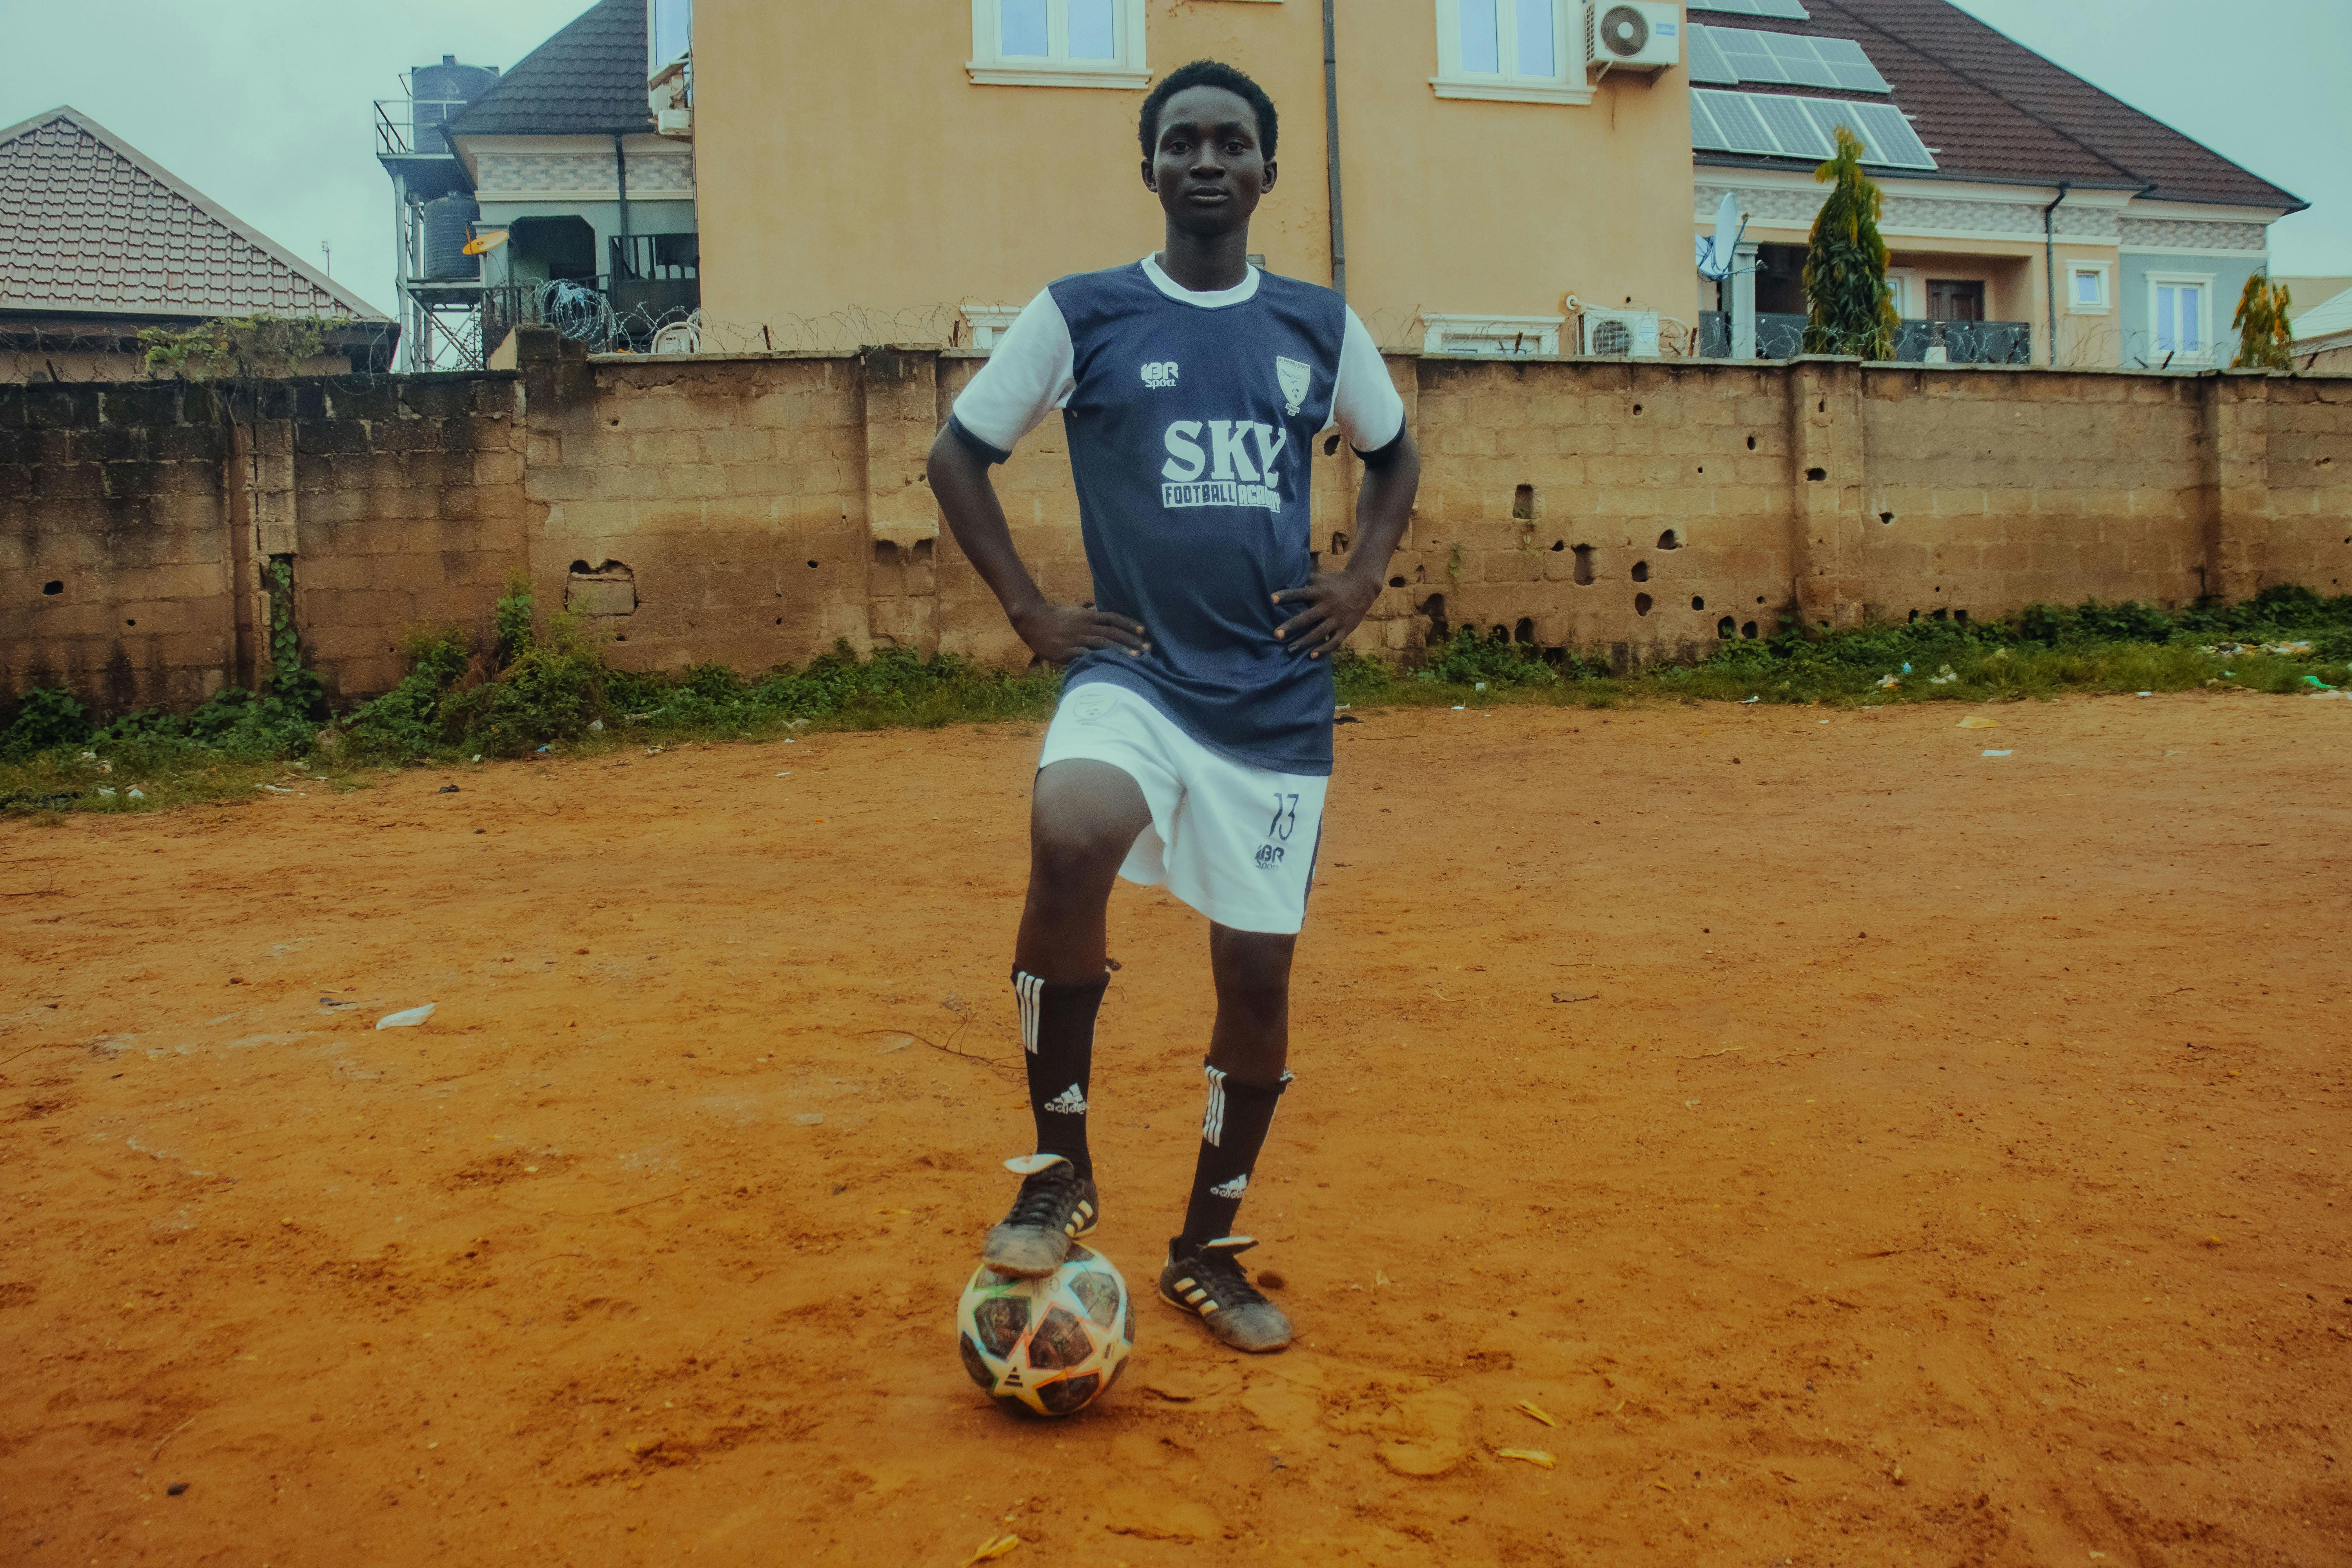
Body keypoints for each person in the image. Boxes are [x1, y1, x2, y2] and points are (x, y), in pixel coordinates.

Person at [926, 58, 1420, 1354]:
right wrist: (1035, 613)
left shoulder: (1317, 326)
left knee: (1256, 976)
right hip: (1133, 675)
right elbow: (957, 452)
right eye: (1182, 143)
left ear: (1265, 171)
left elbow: (1395, 449)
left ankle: (1208, 1246)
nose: (1207, 161)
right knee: (1071, 830)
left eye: (1231, 143)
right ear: (1147, 168)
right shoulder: (1084, 313)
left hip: (1275, 707)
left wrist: (1363, 575)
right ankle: (1058, 1169)